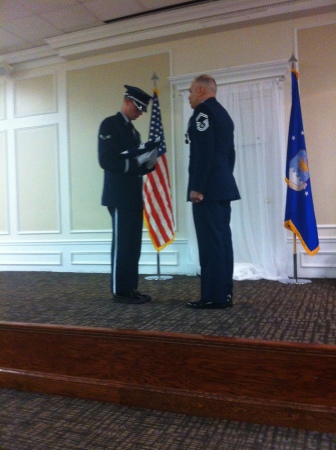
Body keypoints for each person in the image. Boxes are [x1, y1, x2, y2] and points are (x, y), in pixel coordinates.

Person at [98, 85, 159, 305]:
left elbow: (138, 165)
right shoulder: (110, 124)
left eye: (143, 109)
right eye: (138, 107)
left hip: (133, 195)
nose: (140, 112)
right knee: (123, 244)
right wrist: (136, 162)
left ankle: (130, 288)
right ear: (127, 101)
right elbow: (106, 160)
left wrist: (149, 162)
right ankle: (120, 290)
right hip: (118, 195)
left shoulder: (134, 132)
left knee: (133, 244)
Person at [185, 75, 241, 309]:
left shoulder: (203, 113)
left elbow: (204, 153)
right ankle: (223, 294)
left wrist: (197, 187)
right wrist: (223, 178)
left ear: (200, 90)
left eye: (190, 91)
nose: (188, 96)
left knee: (211, 244)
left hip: (207, 190)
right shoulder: (224, 114)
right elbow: (230, 154)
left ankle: (212, 296)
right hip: (221, 187)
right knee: (222, 243)